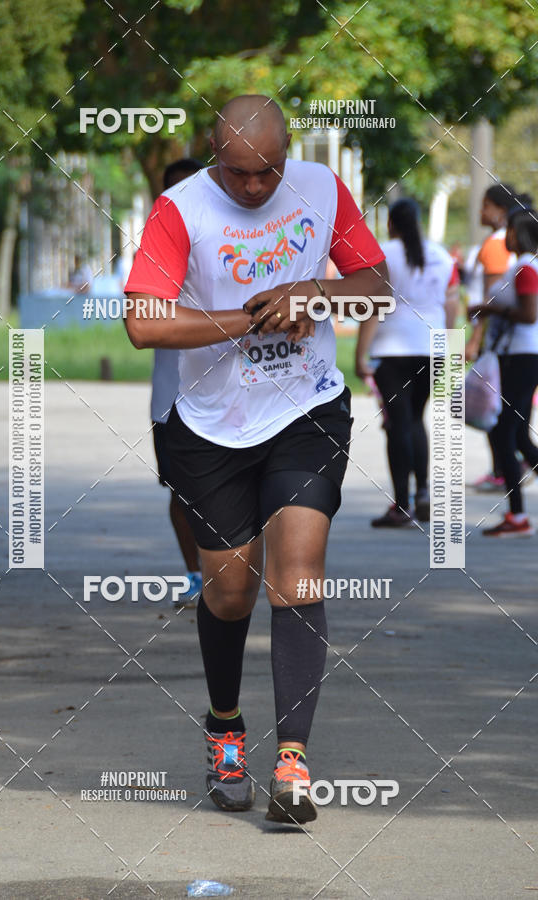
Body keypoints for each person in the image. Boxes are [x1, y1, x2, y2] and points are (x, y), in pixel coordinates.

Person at [124, 95, 390, 824]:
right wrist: (248, 317)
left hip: (305, 410)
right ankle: (225, 726)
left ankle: (294, 763)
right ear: (216, 156)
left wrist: (317, 291)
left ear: (287, 152)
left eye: (267, 172)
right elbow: (141, 324)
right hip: (211, 429)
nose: (253, 188)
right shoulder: (181, 210)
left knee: (298, 567)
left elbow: (377, 288)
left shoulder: (321, 188)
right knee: (231, 593)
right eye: (238, 174)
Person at [356, 198, 459, 526]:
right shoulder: (442, 256)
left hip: (393, 349)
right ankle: (423, 493)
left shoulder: (382, 254)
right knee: (416, 420)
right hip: (434, 347)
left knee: (397, 425)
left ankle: (401, 505)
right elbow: (452, 305)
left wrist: (361, 354)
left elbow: (374, 306)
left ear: (391, 224)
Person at [150, 159, 205, 603]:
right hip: (173, 401)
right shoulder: (155, 249)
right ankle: (196, 577)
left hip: (242, 394)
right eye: (174, 192)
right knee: (183, 494)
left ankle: (239, 574)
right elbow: (144, 321)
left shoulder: (232, 241)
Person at [468, 207, 538, 537]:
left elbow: (528, 314)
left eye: (509, 230)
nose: (504, 236)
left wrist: (490, 308)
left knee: (503, 433)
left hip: (519, 358)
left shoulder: (525, 267)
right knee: (519, 435)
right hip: (522, 357)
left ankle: (518, 517)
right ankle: (517, 515)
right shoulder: (524, 266)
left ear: (519, 233)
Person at [465, 183, 518, 492]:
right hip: (501, 339)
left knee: (494, 406)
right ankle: (503, 466)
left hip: (495, 339)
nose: (481, 212)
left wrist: (476, 338)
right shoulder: (498, 243)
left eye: (486, 205)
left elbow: (493, 299)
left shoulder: (496, 245)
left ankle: (502, 468)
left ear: (500, 210)